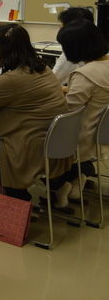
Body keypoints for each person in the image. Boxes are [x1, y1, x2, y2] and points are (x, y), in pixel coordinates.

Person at [0, 24, 69, 202]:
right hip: (51, 145)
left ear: (2, 50)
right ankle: (15, 194)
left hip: (26, 150)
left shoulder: (12, 79)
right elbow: (4, 95)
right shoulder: (42, 69)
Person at [55, 19, 109, 200]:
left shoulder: (84, 74)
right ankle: (78, 176)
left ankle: (59, 183)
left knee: (25, 135)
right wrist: (64, 89)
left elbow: (68, 111)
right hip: (101, 134)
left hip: (81, 138)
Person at [52, 7, 94, 85]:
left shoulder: (72, 51)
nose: (60, 27)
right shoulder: (97, 48)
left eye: (62, 24)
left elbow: (53, 82)